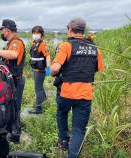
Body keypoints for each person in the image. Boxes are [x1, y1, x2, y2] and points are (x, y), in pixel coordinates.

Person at [51, 18, 105, 158]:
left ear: (69, 29)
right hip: (85, 95)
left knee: (61, 113)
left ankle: (63, 140)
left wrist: (52, 71)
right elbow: (99, 68)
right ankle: (72, 155)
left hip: (66, 93)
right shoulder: (95, 48)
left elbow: (55, 69)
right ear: (83, 30)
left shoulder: (66, 45)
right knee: (79, 130)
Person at [0, 19, 26, 143]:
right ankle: (11, 129)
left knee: (14, 107)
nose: (2, 32)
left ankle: (15, 134)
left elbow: (14, 54)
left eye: (2, 30)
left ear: (7, 30)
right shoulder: (10, 42)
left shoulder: (16, 42)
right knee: (10, 105)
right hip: (11, 81)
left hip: (16, 80)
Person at [28, 25, 51, 114]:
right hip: (35, 69)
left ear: (41, 34)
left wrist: (48, 68)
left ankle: (38, 108)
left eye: (37, 33)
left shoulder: (43, 44)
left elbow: (48, 56)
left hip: (40, 70)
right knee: (40, 87)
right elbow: (34, 57)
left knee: (38, 89)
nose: (35, 35)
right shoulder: (35, 43)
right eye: (34, 33)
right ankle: (44, 101)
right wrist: (31, 67)